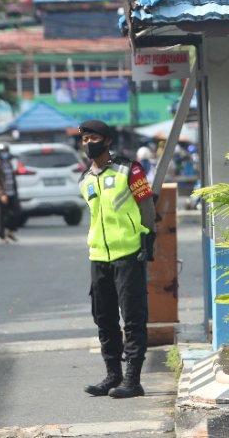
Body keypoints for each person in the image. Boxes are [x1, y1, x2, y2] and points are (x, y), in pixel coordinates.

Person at [79, 120, 157, 399]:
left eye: (93, 138)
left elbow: (146, 206)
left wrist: (149, 239)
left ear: (107, 141)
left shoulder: (129, 169)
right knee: (104, 318)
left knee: (133, 318)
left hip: (128, 254)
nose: (89, 143)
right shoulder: (85, 179)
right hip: (98, 256)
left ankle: (133, 380)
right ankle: (113, 375)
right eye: (85, 139)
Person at [0, 143, 21, 244]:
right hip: (2, 194)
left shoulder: (9, 163)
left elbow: (12, 177)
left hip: (12, 192)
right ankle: (1, 236)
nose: (4, 154)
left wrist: (15, 190)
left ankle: (10, 232)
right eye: (2, 152)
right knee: (2, 216)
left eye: (6, 152)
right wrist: (1, 194)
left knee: (17, 212)